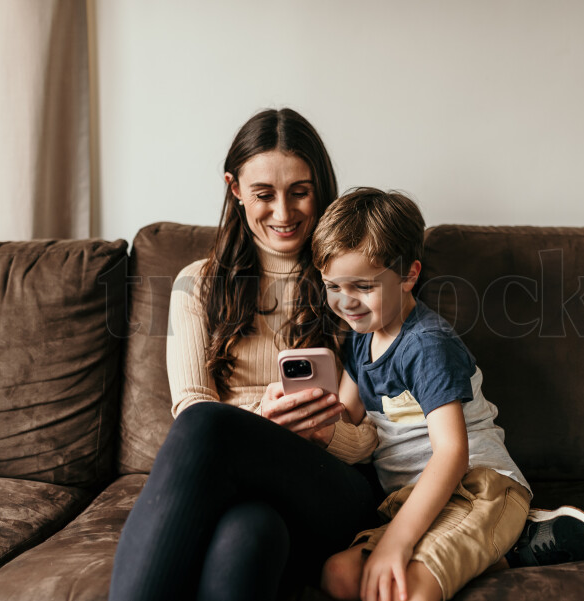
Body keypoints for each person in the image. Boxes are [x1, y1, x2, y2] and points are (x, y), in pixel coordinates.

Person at [109, 108, 385, 601]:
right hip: (241, 493)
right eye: (264, 194)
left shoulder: (354, 282)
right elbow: (191, 403)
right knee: (248, 535)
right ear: (235, 189)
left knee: (206, 426)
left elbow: (370, 436)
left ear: (321, 187)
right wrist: (266, 420)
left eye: (300, 191)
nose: (284, 213)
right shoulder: (197, 284)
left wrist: (325, 432)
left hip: (331, 487)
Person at [312, 188, 584, 601]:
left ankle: (514, 533)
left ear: (409, 276)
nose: (345, 302)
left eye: (362, 286)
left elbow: (452, 453)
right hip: (415, 500)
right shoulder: (358, 340)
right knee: (339, 576)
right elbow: (346, 418)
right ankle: (522, 545)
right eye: (333, 285)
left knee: (410, 593)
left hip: (479, 488)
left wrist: (397, 542)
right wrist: (303, 413)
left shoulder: (426, 344)